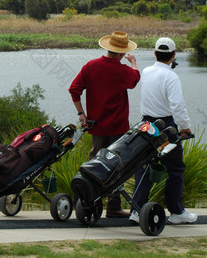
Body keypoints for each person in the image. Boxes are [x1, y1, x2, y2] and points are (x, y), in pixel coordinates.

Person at [69, 30, 140, 218]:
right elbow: (134, 80)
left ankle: (89, 201)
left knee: (95, 163)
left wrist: (81, 113)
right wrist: (133, 63)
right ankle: (114, 206)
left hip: (96, 127)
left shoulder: (90, 66)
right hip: (118, 128)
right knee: (117, 166)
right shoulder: (123, 70)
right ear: (121, 53)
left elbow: (74, 90)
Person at [130, 37, 198, 225]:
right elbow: (177, 106)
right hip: (166, 127)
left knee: (144, 166)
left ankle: (136, 210)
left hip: (146, 125)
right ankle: (176, 212)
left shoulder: (146, 71)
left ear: (155, 53)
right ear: (174, 55)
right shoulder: (171, 76)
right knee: (175, 168)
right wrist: (185, 127)